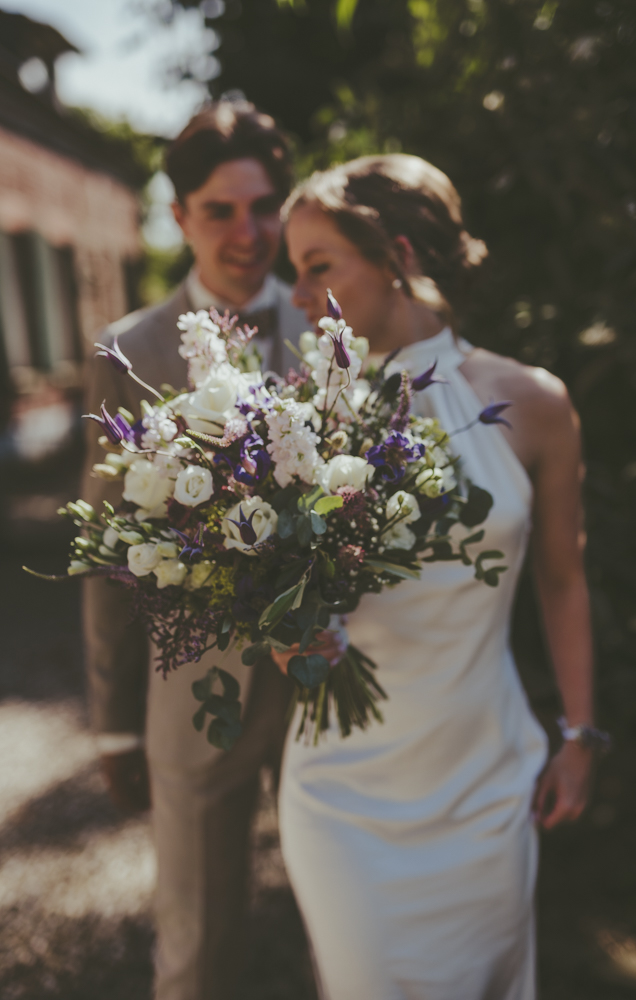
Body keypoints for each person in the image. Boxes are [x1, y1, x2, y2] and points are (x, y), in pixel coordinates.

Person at [272, 154, 601, 999]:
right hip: (343, 795)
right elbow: (277, 603)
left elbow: (562, 580)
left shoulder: (533, 403)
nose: (297, 293)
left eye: (317, 265)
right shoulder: (293, 420)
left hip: (483, 782)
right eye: (294, 270)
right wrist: (284, 638)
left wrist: (578, 734)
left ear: (398, 255)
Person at [82, 99, 308, 1000]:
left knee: (351, 929)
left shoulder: (336, 329)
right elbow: (108, 546)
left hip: (326, 681)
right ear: (178, 216)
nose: (246, 233)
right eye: (219, 210)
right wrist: (113, 720)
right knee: (196, 947)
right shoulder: (128, 350)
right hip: (194, 691)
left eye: (263, 207)